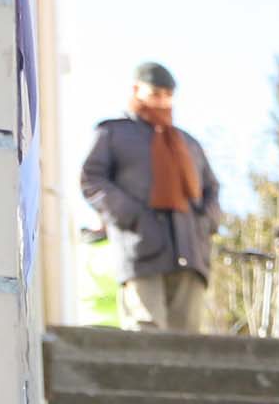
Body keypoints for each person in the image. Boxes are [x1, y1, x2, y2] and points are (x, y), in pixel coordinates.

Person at [78, 61, 219, 334]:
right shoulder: (114, 133)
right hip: (141, 250)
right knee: (145, 333)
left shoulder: (188, 143)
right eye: (155, 94)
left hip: (189, 253)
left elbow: (211, 189)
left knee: (187, 343)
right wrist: (131, 216)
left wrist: (206, 223)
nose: (162, 102)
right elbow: (91, 179)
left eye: (167, 96)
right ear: (136, 90)